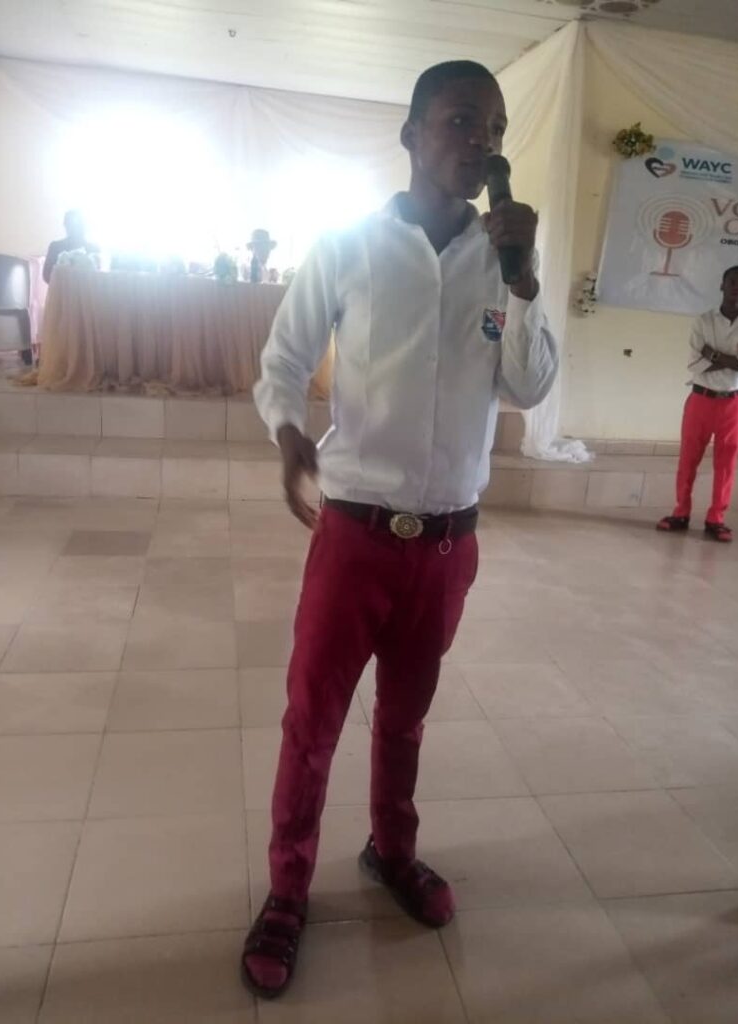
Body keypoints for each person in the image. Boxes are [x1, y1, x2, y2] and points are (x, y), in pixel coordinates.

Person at [245, 60, 558, 999]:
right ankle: (287, 890)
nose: (480, 140)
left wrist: (525, 280)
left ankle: (392, 848)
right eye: (461, 120)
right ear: (411, 135)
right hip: (354, 534)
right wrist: (290, 435)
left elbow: (530, 385)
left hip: (449, 544)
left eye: (493, 127)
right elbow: (282, 360)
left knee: (405, 717)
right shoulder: (348, 246)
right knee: (312, 721)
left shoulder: (501, 260)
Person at [657, 265, 738, 543]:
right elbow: (695, 363)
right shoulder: (703, 321)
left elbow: (715, 360)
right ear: (722, 285)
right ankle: (680, 512)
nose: (737, 287)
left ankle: (716, 519)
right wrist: (733, 361)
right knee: (688, 459)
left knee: (726, 463)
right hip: (700, 400)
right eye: (732, 281)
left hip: (733, 403)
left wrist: (713, 355)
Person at [42, 210, 99, 284]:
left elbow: (98, 277)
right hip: (61, 290)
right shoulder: (56, 247)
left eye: (79, 225)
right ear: (66, 225)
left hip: (87, 290)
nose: (75, 228)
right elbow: (47, 275)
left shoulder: (94, 249)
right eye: (71, 225)